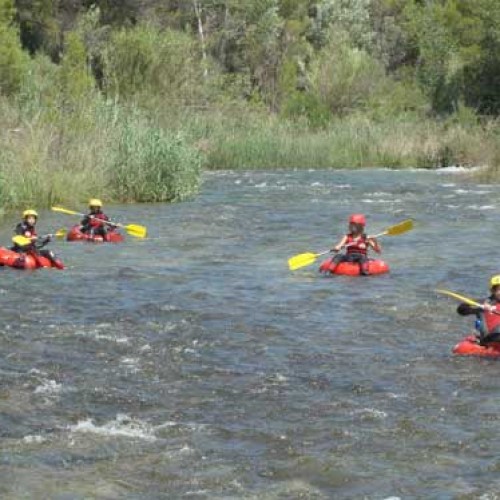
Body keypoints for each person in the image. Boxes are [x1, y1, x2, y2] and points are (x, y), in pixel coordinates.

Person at [457, 275, 500, 345]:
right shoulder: (483, 303)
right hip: (489, 338)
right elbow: (461, 309)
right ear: (492, 291)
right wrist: (481, 307)